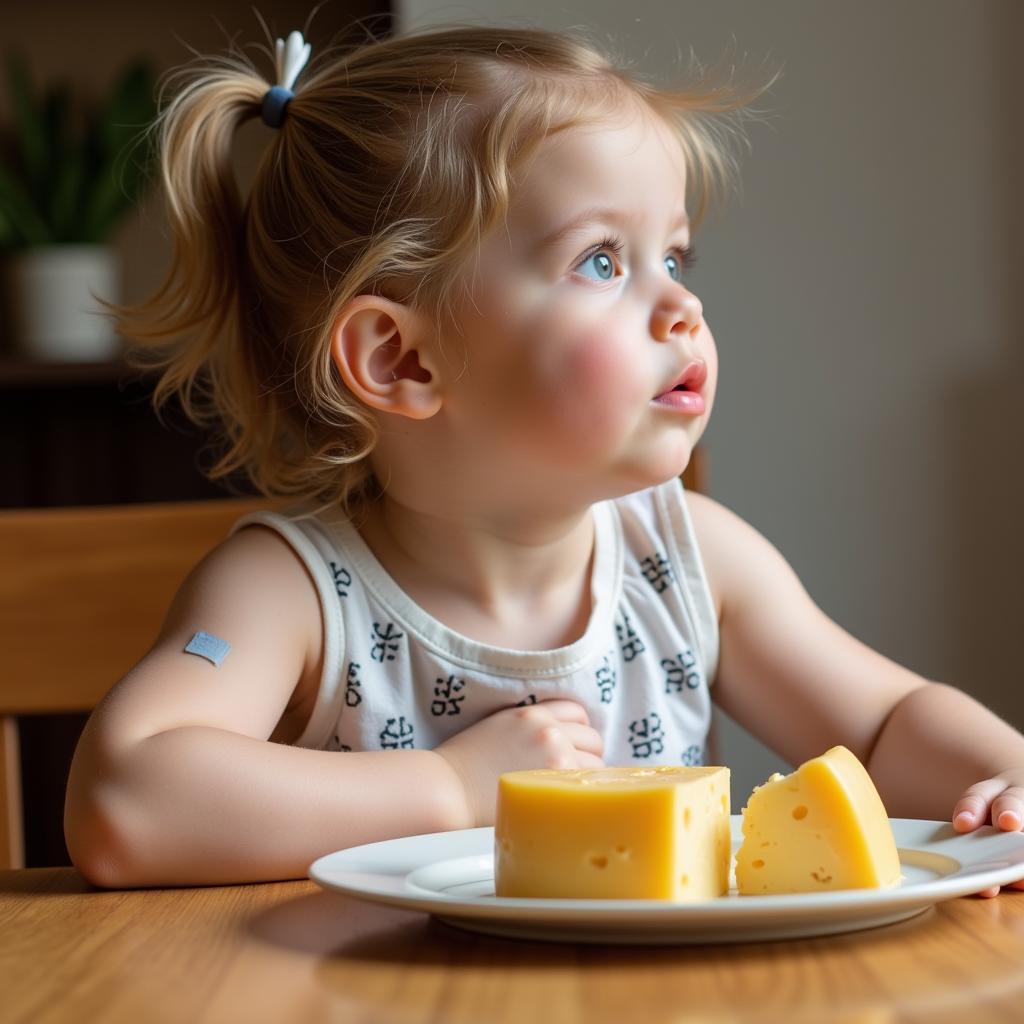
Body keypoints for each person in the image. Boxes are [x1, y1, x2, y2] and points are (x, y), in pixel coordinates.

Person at [64, 24, 1024, 892]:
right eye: (602, 261)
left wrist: (1009, 778)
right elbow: (126, 799)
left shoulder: (691, 562)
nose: (681, 308)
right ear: (403, 357)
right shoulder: (291, 594)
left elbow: (887, 725)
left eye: (675, 257)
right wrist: (446, 786)